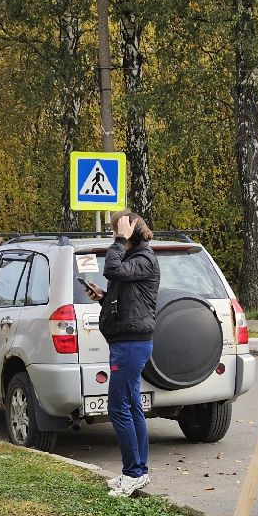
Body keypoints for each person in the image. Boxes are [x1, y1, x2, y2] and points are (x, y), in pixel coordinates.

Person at [99, 210, 159, 498]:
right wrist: (103, 297)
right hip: (127, 341)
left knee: (118, 407)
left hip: (131, 344)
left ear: (129, 232)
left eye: (117, 231)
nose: (114, 236)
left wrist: (119, 239)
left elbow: (112, 270)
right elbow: (126, 292)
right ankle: (139, 470)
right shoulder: (135, 259)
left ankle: (132, 473)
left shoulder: (144, 258)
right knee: (132, 406)